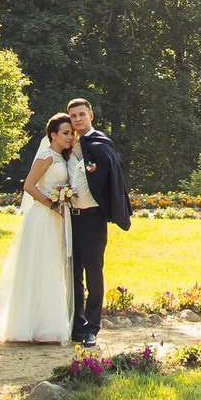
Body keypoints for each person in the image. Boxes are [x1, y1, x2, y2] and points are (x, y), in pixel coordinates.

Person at [0, 111, 83, 345]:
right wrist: (50, 203)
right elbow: (29, 185)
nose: (70, 137)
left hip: (56, 219)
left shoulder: (64, 158)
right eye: (65, 133)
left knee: (51, 267)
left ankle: (48, 324)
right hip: (42, 218)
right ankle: (26, 324)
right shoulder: (46, 157)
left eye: (72, 133)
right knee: (38, 265)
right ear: (53, 135)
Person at [65, 98, 132, 345]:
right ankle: (76, 323)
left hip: (93, 219)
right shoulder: (67, 146)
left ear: (91, 115)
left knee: (94, 271)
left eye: (82, 114)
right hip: (70, 219)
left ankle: (92, 326)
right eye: (73, 115)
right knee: (73, 274)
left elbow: (112, 172)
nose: (78, 119)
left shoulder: (100, 143)